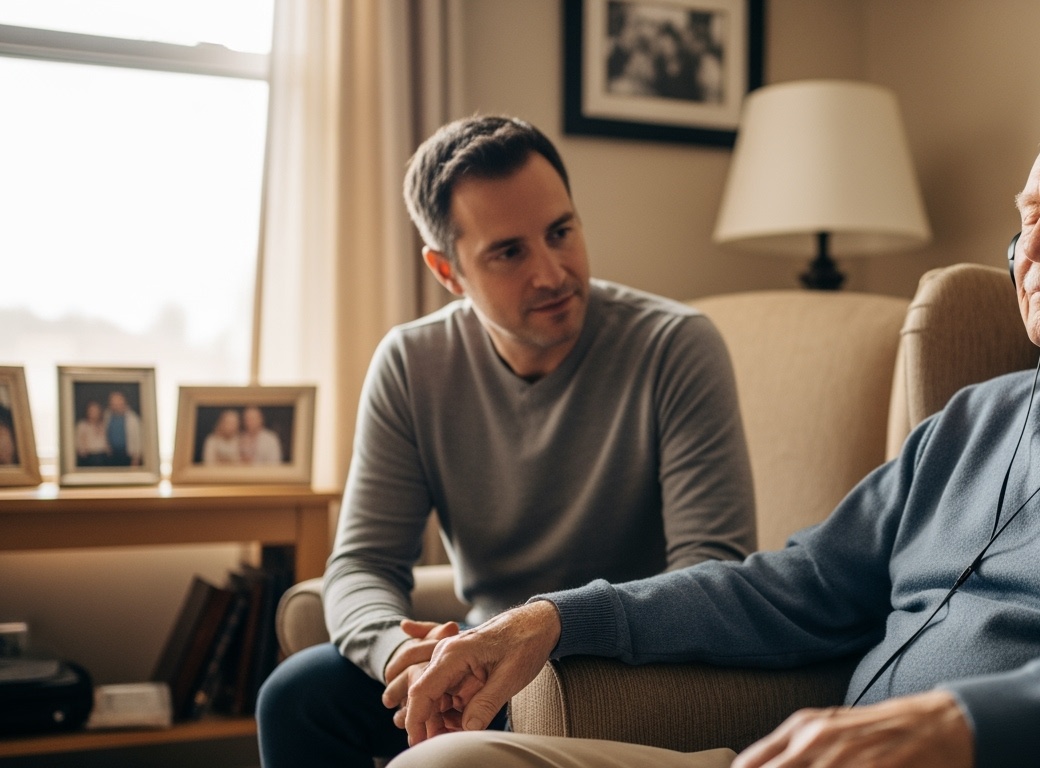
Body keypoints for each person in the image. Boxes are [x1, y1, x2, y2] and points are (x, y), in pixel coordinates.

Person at [390, 98, 1040, 768]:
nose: (1034, 245)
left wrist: (966, 726)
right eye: (1028, 214)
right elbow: (786, 589)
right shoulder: (974, 420)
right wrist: (551, 619)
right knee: (457, 764)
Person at [255, 115, 756, 767]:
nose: (552, 273)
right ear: (447, 270)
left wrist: (545, 632)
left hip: (626, 662)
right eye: (510, 252)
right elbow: (363, 563)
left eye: (561, 232)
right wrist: (400, 654)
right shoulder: (412, 364)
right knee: (296, 697)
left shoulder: (676, 346)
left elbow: (711, 568)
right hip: (480, 654)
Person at [103, 390, 141, 467]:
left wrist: (136, 458)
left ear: (123, 402)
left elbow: (138, 439)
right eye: (113, 402)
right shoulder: (107, 415)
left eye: (117, 402)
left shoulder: (133, 419)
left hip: (127, 454)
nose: (115, 405)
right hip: (111, 454)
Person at [73, 400, 110, 466]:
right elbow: (78, 440)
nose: (94, 413)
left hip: (102, 455)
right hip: (89, 455)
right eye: (92, 411)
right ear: (87, 412)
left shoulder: (103, 424)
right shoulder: (82, 425)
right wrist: (82, 452)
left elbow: (106, 440)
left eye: (96, 411)